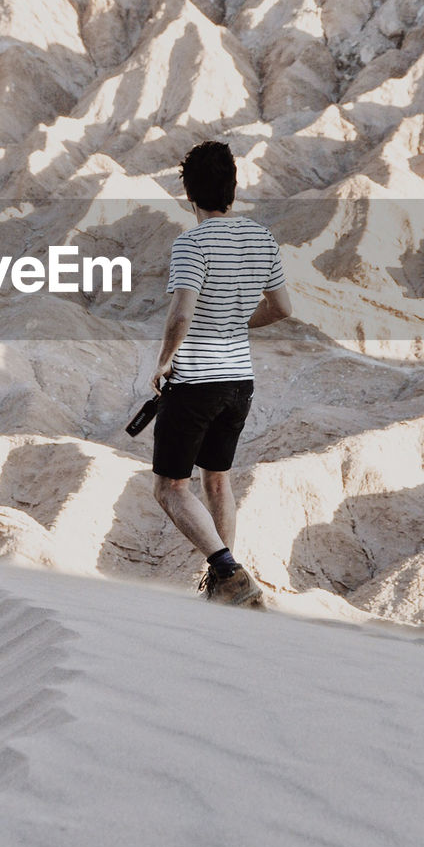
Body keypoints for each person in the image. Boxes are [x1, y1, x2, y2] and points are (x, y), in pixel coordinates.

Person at [151, 140, 292, 606]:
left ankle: (228, 571)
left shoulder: (192, 243)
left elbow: (181, 315)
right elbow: (282, 308)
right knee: (218, 480)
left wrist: (165, 360)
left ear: (189, 195)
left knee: (171, 489)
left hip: (196, 382)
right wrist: (236, 320)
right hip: (239, 383)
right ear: (233, 189)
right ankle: (223, 583)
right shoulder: (260, 237)